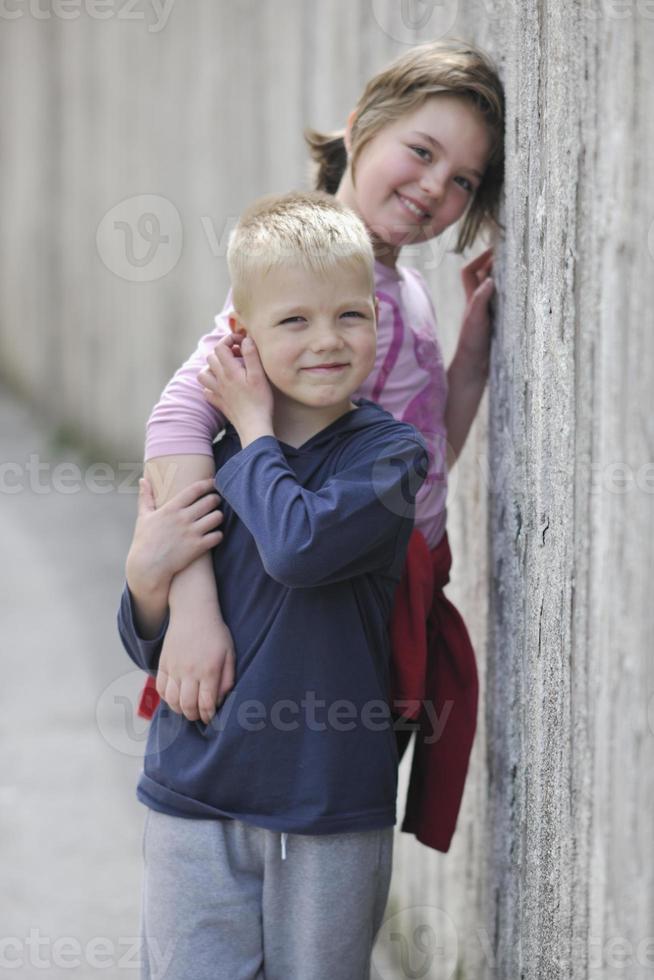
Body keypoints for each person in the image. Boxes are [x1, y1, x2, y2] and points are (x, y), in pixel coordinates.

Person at [136, 38, 505, 852]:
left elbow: (423, 452)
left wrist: (469, 365)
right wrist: (193, 605)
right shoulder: (302, 276)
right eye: (421, 151)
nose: (434, 187)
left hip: (384, 579)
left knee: (338, 815)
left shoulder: (401, 287)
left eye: (463, 181)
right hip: (305, 581)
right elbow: (178, 416)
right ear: (360, 128)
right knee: (293, 817)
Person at [118, 190, 429, 980]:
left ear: (377, 321)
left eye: (350, 316)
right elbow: (148, 636)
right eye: (294, 320)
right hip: (195, 792)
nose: (327, 340)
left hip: (326, 803)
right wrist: (146, 578)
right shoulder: (205, 455)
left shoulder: (390, 459)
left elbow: (298, 545)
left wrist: (256, 430)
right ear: (241, 337)